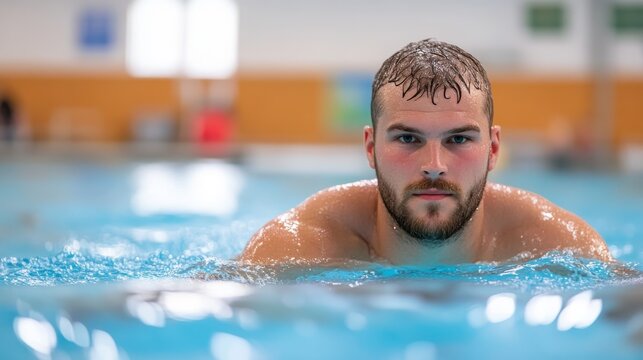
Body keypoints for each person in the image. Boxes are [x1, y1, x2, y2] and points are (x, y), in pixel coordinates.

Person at [239, 39, 611, 265]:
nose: (434, 166)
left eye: (459, 139)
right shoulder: (299, 245)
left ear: (493, 148)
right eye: (407, 139)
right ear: (370, 147)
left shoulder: (560, 245)